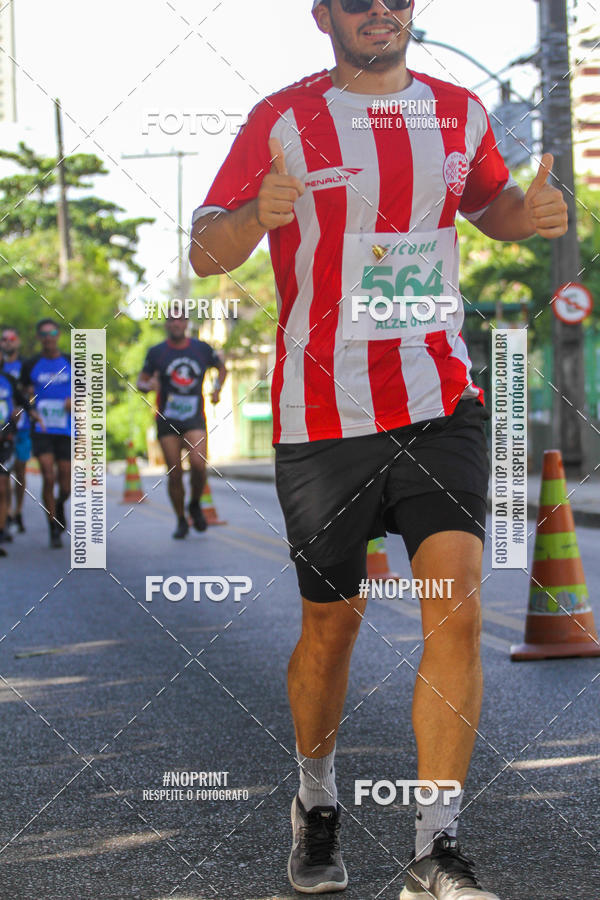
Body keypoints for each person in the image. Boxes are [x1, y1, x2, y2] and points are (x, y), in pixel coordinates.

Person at [189, 1, 568, 896]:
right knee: (333, 626)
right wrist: (253, 214)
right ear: (322, 15)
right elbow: (206, 248)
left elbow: (492, 210)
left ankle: (435, 849)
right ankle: (316, 802)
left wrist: (533, 211)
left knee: (458, 606)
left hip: (441, 399)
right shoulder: (279, 120)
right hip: (322, 415)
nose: (380, 11)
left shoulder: (459, 112)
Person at [137, 312, 227, 540]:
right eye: (171, 320)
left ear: (186, 323)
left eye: (180, 320)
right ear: (166, 324)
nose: (176, 323)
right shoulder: (157, 352)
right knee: (175, 473)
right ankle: (180, 520)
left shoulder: (201, 349)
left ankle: (195, 504)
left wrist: (217, 390)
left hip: (194, 418)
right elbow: (141, 381)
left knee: (198, 464)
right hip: (167, 420)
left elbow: (222, 368)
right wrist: (149, 385)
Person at [21, 319, 72, 549]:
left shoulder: (71, 362)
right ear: (39, 337)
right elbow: (20, 394)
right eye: (43, 333)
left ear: (58, 335)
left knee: (65, 481)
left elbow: (87, 391)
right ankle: (52, 526)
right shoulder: (31, 364)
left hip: (66, 428)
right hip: (41, 428)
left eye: (52, 332)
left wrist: (77, 400)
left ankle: (60, 505)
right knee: (48, 476)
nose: (48, 337)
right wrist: (30, 407)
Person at [0, 343, 31, 555]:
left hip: (5, 440)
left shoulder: (9, 380)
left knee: (2, 487)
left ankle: (1, 530)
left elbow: (25, 403)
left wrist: (25, 412)